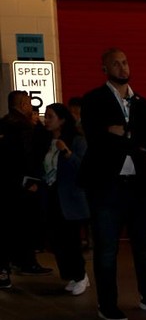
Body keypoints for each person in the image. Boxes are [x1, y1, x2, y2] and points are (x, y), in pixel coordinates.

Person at [80, 49, 146, 320]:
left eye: (125, 62)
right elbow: (96, 138)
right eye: (116, 63)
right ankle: (107, 304)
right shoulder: (93, 101)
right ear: (104, 68)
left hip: (141, 187)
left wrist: (121, 133)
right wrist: (130, 138)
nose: (122, 67)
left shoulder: (143, 104)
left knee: (145, 246)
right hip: (107, 187)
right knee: (107, 248)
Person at [0, 90, 52, 278]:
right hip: (24, 184)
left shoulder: (4, 124)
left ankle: (13, 261)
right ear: (23, 105)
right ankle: (27, 262)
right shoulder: (24, 127)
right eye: (29, 103)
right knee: (26, 224)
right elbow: (30, 155)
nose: (31, 107)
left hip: (7, 184)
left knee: (10, 224)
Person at [42, 103, 90, 295]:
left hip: (70, 198)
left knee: (71, 240)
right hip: (51, 195)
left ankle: (80, 275)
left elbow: (84, 168)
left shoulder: (77, 140)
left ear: (61, 120)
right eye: (45, 116)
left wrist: (67, 153)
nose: (46, 120)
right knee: (56, 240)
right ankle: (70, 275)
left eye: (50, 117)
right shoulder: (45, 142)